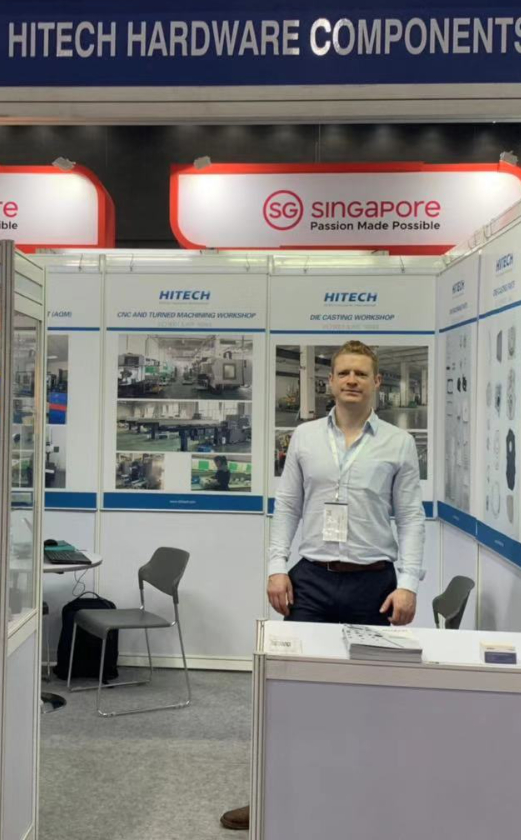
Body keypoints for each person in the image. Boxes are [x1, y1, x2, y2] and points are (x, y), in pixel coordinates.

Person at [219, 340, 426, 832]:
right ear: (330, 382)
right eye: (344, 373)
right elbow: (287, 506)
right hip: (309, 580)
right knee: (290, 694)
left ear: (377, 382)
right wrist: (277, 567)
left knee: (371, 699)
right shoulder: (305, 437)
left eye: (361, 373)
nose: (352, 380)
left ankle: (366, 798)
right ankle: (275, 795)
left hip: (374, 584)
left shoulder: (398, 443)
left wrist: (408, 584)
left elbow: (411, 518)